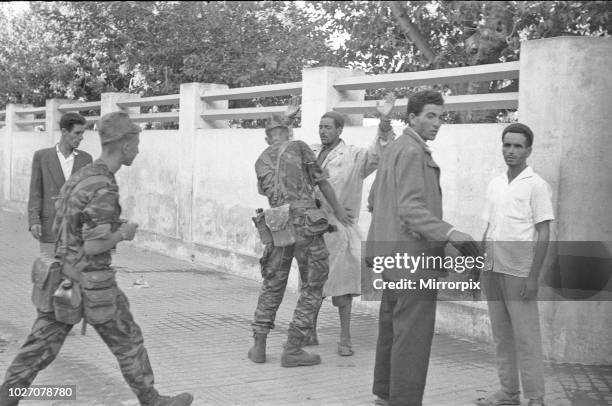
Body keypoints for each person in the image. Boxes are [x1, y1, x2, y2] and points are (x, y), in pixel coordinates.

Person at [0, 112, 193, 406]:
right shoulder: (103, 185)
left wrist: (107, 228)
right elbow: (94, 246)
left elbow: (71, 225)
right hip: (92, 284)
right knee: (128, 341)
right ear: (125, 145)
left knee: (39, 347)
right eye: (136, 143)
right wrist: (123, 233)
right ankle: (152, 400)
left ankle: (7, 395)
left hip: (63, 278)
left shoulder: (84, 175)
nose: (138, 150)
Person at [367, 90, 480, 406]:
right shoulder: (414, 153)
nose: (437, 123)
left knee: (392, 329)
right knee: (412, 336)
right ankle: (403, 400)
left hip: (391, 260)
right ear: (412, 117)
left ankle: (386, 395)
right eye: (430, 115)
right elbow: (411, 209)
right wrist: (451, 233)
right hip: (413, 262)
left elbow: (374, 199)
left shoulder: (395, 149)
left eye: (441, 117)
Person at [248, 113, 351, 367]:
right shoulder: (299, 146)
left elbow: (264, 191)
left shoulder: (260, 159)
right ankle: (293, 348)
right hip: (305, 222)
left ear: (266, 137)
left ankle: (259, 346)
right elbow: (322, 182)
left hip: (277, 223)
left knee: (273, 284)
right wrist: (338, 211)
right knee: (314, 285)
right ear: (289, 132)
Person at [304, 95, 396, 356]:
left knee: (343, 288)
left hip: (340, 230)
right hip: (312, 229)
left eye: (328, 127)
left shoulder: (354, 156)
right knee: (312, 285)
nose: (323, 131)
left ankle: (345, 338)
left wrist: (385, 121)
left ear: (339, 130)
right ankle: (308, 329)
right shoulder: (309, 152)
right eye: (321, 126)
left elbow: (379, 154)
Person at [475, 123, 553, 406]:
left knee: (526, 337)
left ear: (528, 150)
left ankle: (536, 397)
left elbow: (544, 232)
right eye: (507, 145)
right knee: (502, 336)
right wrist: (479, 265)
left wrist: (534, 278)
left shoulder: (536, 185)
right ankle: (509, 393)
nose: (511, 151)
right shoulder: (495, 183)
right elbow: (488, 226)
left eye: (518, 146)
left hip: (520, 271)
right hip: (492, 268)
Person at [28, 112, 93, 256]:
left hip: (77, 230)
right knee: (50, 272)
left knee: (74, 275)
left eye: (82, 133)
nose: (81, 137)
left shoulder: (86, 159)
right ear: (64, 131)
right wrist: (34, 221)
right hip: (49, 226)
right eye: (77, 133)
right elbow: (35, 192)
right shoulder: (41, 157)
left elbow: (89, 196)